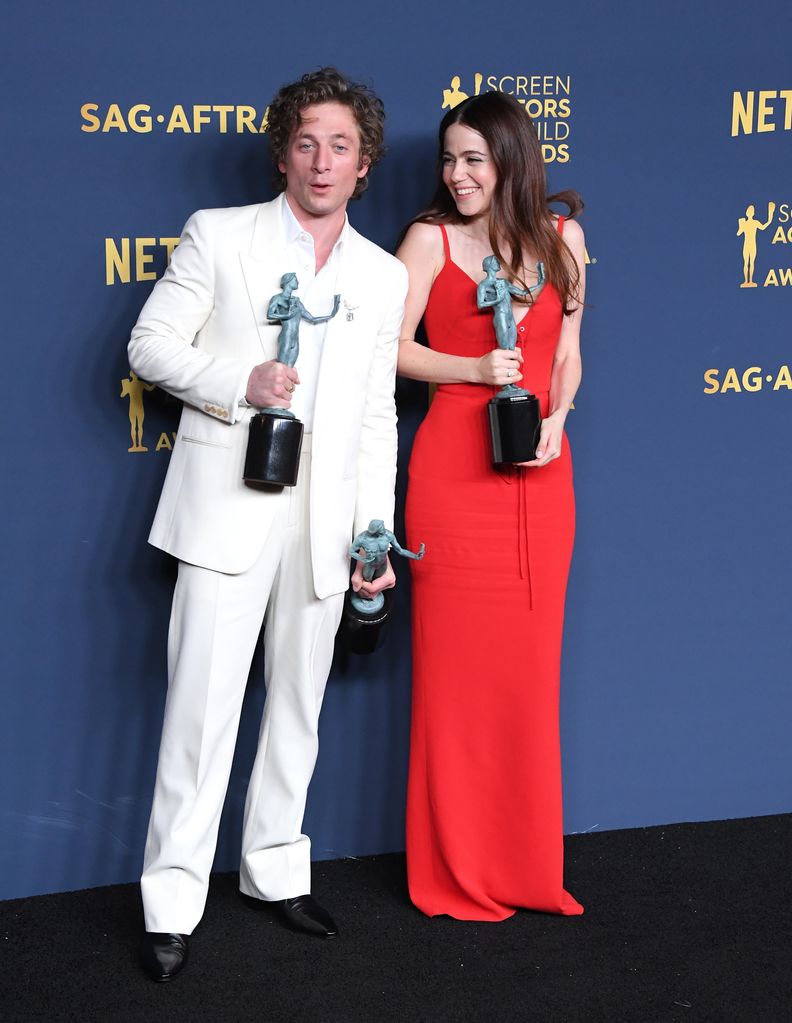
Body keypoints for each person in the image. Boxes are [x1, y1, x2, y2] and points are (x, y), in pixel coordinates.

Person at [128, 67, 408, 981]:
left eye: (340, 146)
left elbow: (375, 416)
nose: (321, 161)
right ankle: (172, 902)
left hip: (327, 525)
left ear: (363, 165)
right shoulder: (222, 235)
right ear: (281, 149)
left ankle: (274, 869)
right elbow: (149, 343)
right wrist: (238, 381)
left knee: (298, 708)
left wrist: (376, 536)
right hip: (227, 509)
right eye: (305, 141)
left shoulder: (382, 272)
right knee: (200, 714)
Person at [396, 90, 586, 921]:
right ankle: (455, 869)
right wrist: (473, 371)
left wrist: (558, 417)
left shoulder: (563, 238)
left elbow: (570, 352)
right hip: (452, 479)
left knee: (527, 679)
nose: (458, 173)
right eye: (450, 158)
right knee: (455, 681)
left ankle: (526, 868)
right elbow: (389, 350)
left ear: (512, 158)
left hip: (541, 480)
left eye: (474, 157)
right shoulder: (428, 241)